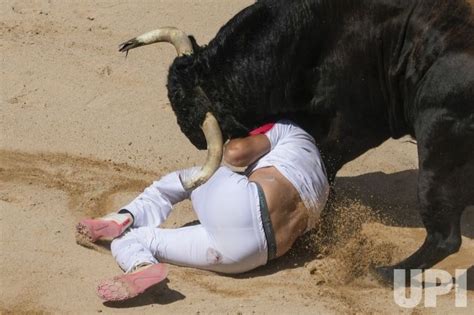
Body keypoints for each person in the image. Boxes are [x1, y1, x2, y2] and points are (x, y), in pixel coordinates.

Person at [76, 120, 329, 302]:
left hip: (246, 207)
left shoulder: (289, 128)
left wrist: (233, 134)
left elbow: (235, 155)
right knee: (133, 240)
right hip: (248, 257)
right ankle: (142, 265)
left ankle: (125, 215)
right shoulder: (324, 186)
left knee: (191, 177)